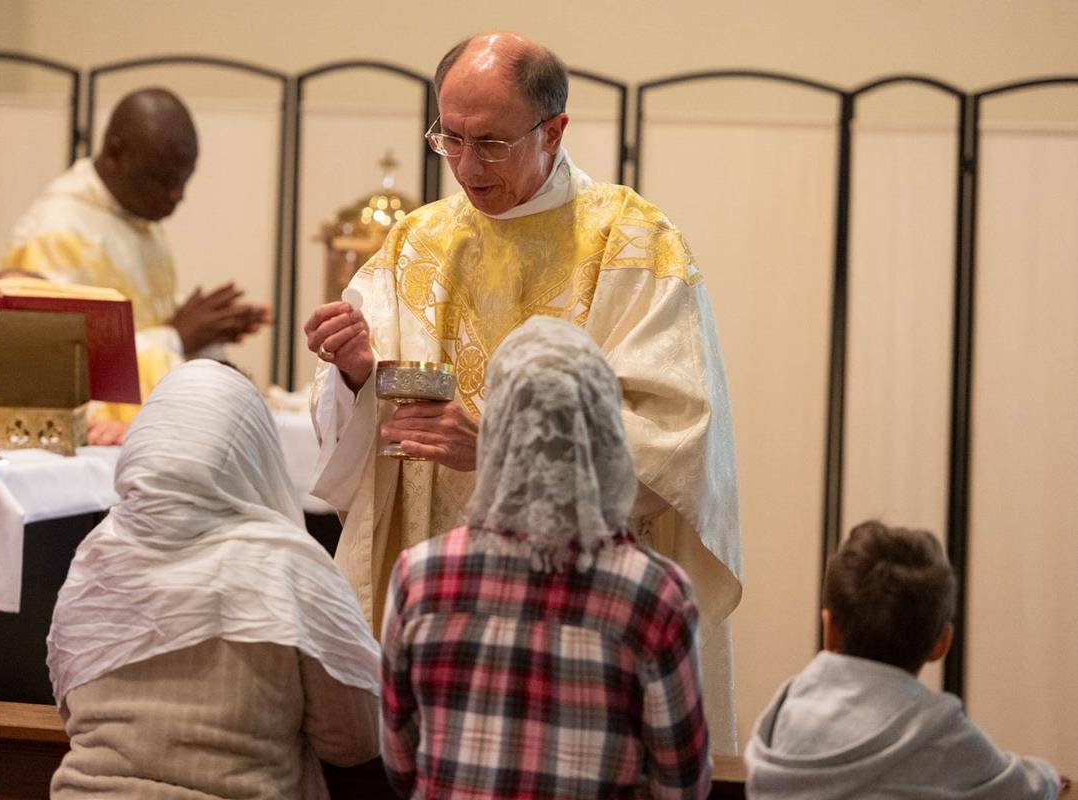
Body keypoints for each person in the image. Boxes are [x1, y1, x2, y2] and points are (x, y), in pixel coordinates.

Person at [304, 31, 742, 750]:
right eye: (450, 138)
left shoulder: (631, 244)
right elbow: (361, 425)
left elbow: (677, 432)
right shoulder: (417, 243)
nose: (467, 167)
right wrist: (354, 370)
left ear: (554, 130)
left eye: (492, 143)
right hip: (442, 587)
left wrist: (495, 447)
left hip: (585, 613)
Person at [381, 317, 711, 799]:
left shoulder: (422, 576)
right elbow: (681, 786)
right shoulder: (653, 594)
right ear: (605, 434)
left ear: (496, 431)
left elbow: (400, 759)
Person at [47, 359, 380, 799]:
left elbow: (71, 708)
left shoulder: (98, 555)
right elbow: (353, 740)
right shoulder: (288, 566)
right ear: (254, 448)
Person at [1, 87, 269, 444]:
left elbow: (143, 328)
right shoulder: (57, 232)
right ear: (115, 152)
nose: (178, 197)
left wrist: (202, 335)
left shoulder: (139, 220)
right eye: (163, 181)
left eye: (184, 181)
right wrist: (177, 335)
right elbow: (57, 372)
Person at [745, 520, 1066, 799]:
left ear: (829, 630)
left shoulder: (784, 714)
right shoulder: (942, 734)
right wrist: (1048, 776)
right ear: (942, 644)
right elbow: (1021, 788)